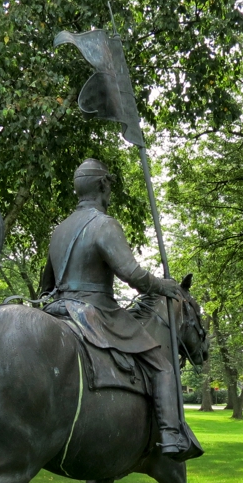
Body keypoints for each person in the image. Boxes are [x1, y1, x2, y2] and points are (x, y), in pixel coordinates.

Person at [42, 158, 197, 460]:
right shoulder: (104, 224)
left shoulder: (60, 229)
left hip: (58, 307)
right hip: (95, 310)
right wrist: (164, 286)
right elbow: (132, 274)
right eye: (109, 184)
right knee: (162, 364)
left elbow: (46, 282)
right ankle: (171, 435)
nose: (110, 190)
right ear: (102, 185)